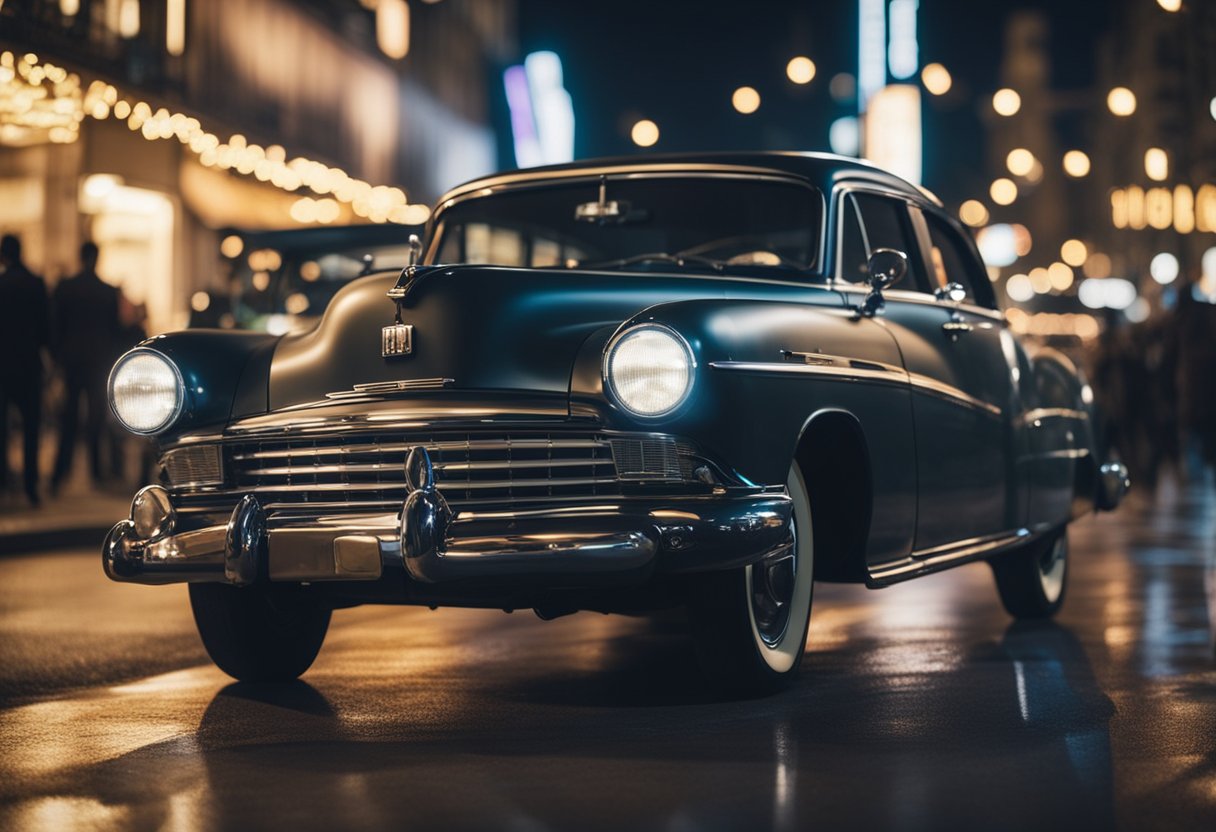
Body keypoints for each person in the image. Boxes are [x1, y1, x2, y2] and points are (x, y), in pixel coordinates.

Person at [51, 241, 120, 493]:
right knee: (96, 418)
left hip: (72, 360)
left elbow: (56, 327)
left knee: (69, 417)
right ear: (96, 258)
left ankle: (60, 473)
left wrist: (56, 358)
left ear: (80, 257)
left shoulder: (66, 288)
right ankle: (97, 473)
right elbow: (115, 332)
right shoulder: (107, 291)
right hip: (98, 361)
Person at [0, 234, 50, 506]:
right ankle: (31, 487)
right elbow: (45, 328)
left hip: (3, 364)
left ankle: (4, 482)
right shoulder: (36, 283)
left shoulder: (2, 283)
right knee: (32, 427)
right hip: (30, 364)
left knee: (2, 426)